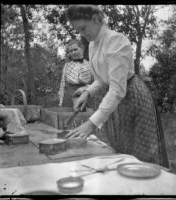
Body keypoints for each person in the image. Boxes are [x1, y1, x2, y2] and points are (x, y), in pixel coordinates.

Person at [65, 5, 169, 168]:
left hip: (132, 98)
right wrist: (88, 93)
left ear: (95, 19)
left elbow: (117, 89)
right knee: (120, 152)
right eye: (78, 30)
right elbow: (102, 78)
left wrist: (92, 123)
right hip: (114, 102)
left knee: (140, 157)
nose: (81, 34)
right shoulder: (92, 44)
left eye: (83, 28)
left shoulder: (116, 41)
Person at [58, 39, 93, 108]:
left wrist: (86, 88)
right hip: (68, 100)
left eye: (75, 49)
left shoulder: (90, 65)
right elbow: (62, 85)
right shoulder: (67, 66)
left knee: (84, 117)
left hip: (85, 97)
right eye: (71, 51)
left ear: (82, 48)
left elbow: (97, 84)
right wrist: (61, 101)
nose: (73, 52)